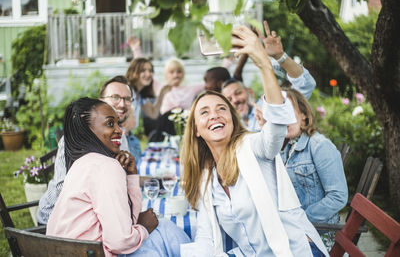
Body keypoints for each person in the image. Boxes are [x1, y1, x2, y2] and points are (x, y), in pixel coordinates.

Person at [180, 25, 328, 257]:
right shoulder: (207, 177)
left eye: (221, 108)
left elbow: (277, 128)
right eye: (204, 112)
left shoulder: (250, 146)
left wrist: (263, 62)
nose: (215, 115)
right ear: (196, 129)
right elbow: (206, 237)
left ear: (232, 119)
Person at [46, 97, 190, 257]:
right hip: (92, 252)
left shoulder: (81, 163)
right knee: (163, 231)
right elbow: (120, 242)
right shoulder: (105, 166)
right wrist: (144, 227)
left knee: (163, 229)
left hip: (65, 251)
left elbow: (125, 223)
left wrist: (132, 176)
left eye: (118, 123)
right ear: (88, 129)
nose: (119, 130)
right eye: (110, 124)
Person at [37, 76, 141, 225]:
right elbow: (63, 188)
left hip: (98, 214)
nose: (122, 104)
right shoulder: (76, 138)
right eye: (115, 97)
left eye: (127, 99)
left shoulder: (119, 134)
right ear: (100, 101)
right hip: (57, 219)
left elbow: (119, 183)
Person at [280, 88, 348, 249]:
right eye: (279, 113)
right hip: (296, 230)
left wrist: (302, 219)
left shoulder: (320, 146)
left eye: (288, 111)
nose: (283, 118)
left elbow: (338, 196)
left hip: (319, 233)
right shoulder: (285, 147)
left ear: (303, 114)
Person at [221, 20, 316, 131]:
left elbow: (305, 86)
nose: (235, 100)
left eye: (238, 93)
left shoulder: (268, 105)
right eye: (229, 99)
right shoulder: (231, 129)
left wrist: (280, 56)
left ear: (250, 92)